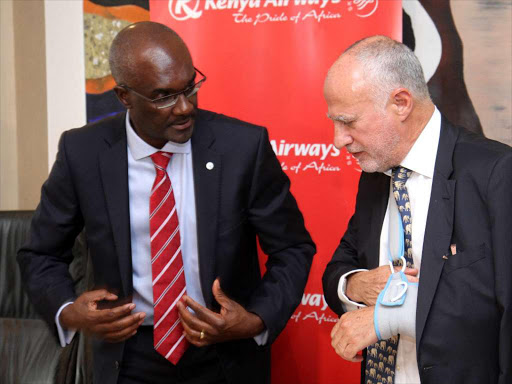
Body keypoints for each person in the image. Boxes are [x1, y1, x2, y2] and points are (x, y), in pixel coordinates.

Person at [17, 21, 315, 384]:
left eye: (190, 87)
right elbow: (41, 254)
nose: (185, 107)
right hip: (127, 357)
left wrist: (254, 319)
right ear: (124, 96)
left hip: (224, 355)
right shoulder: (83, 153)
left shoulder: (242, 148)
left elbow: (293, 248)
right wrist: (68, 311)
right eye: (164, 96)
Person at [322, 36, 511, 384]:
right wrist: (356, 285)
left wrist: (389, 317)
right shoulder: (377, 173)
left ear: (401, 103)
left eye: (348, 121)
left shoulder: (495, 173)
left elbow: (496, 311)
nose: (338, 139)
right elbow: (338, 268)